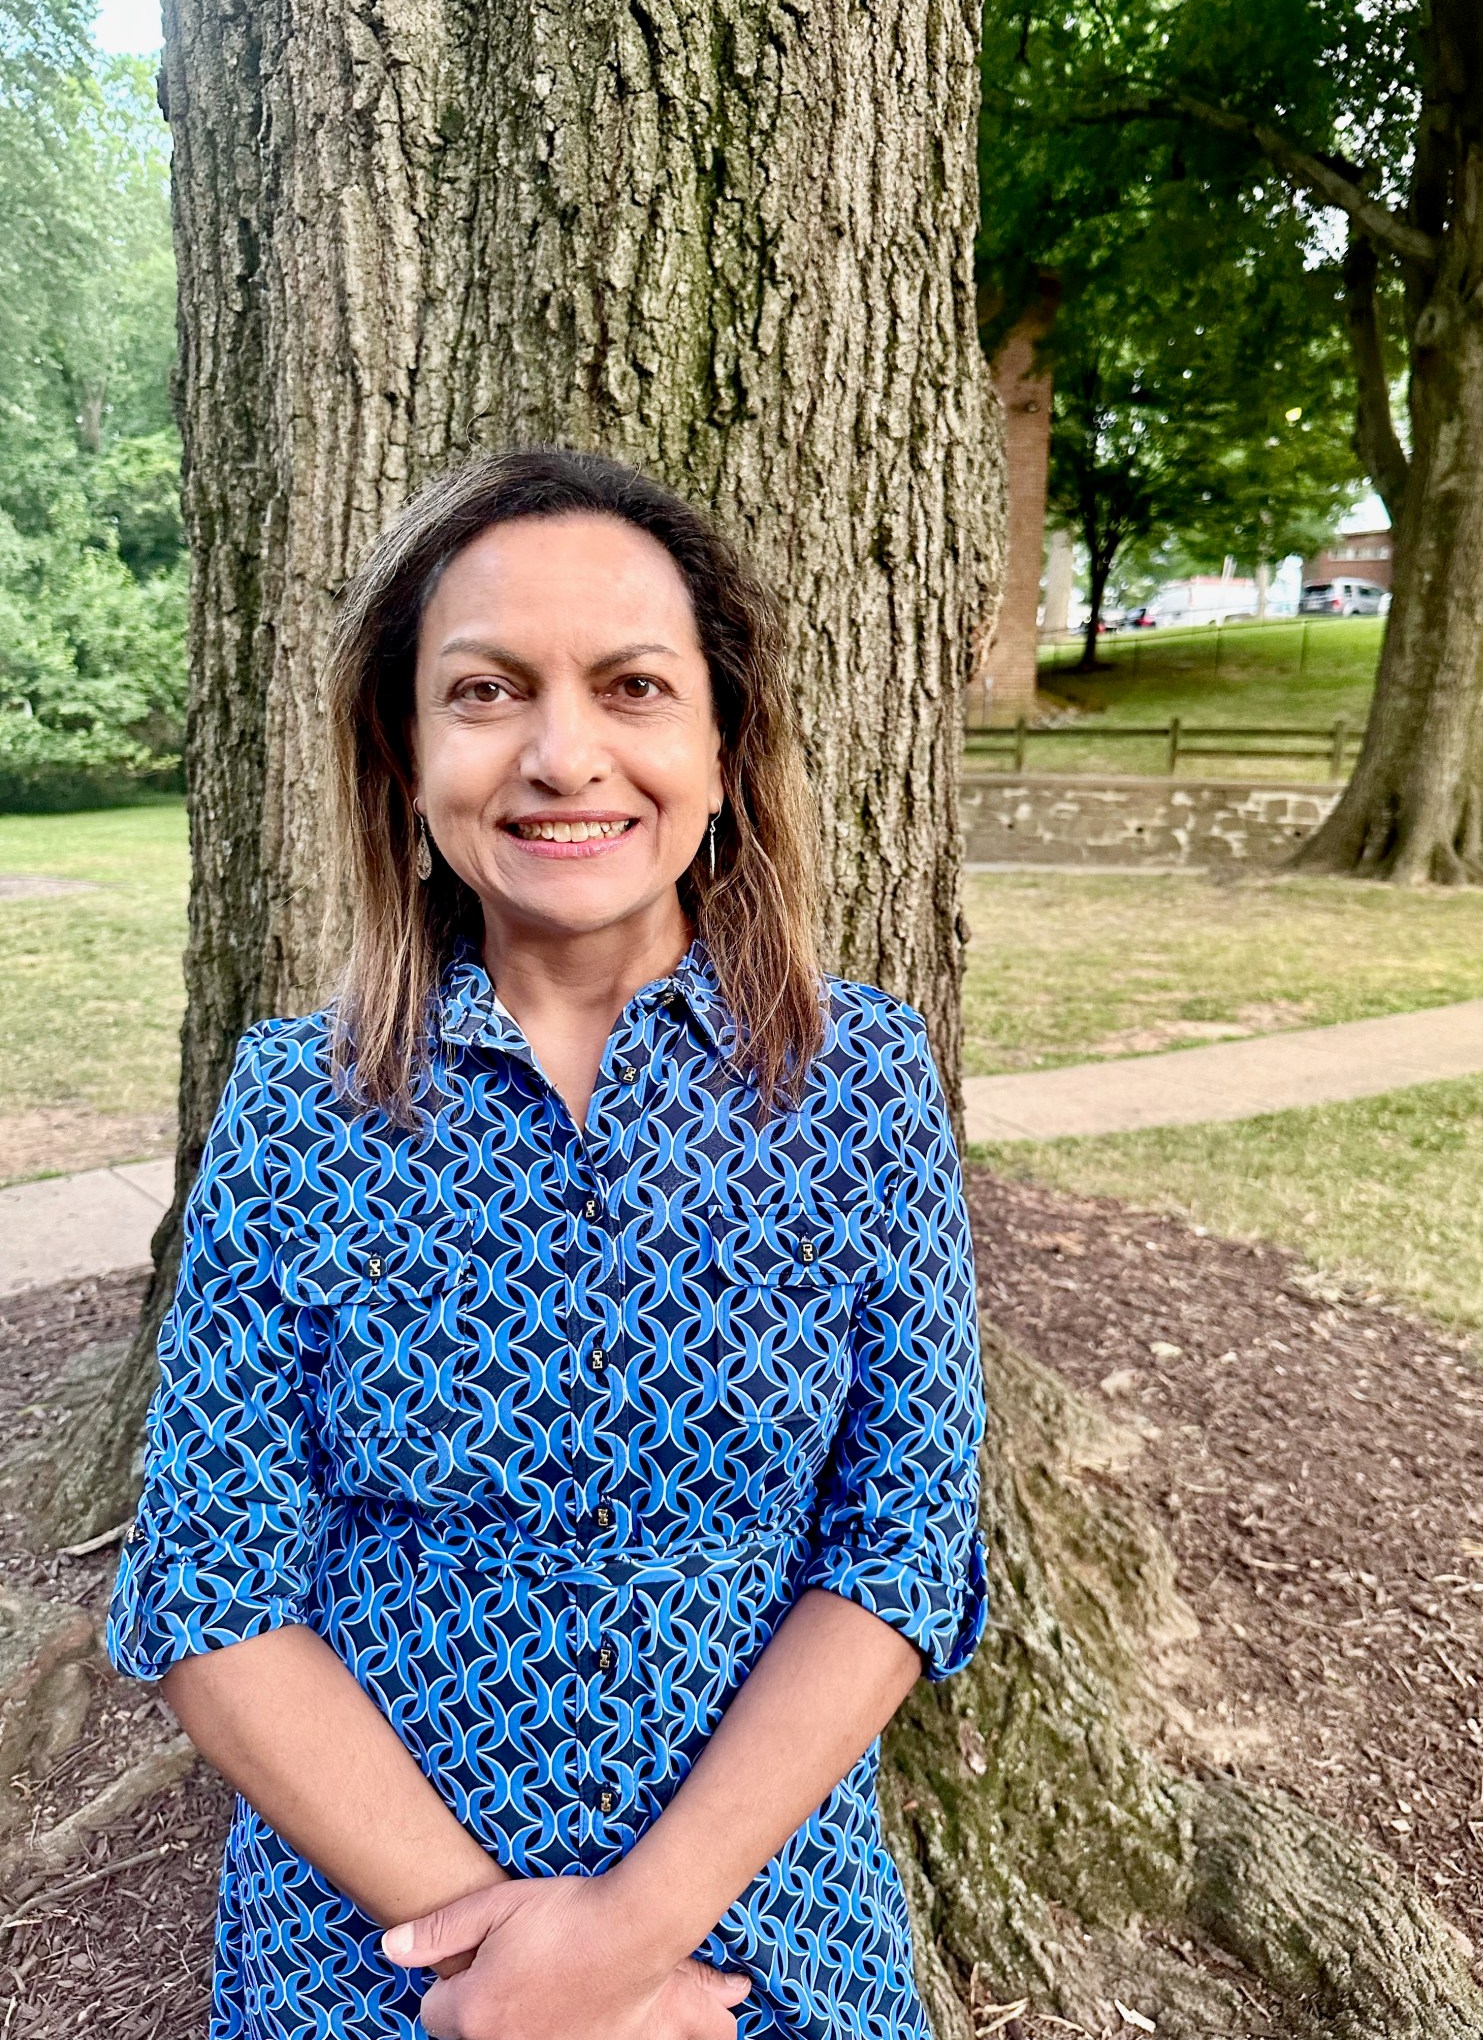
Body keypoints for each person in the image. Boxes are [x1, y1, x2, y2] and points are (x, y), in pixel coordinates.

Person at [105, 445, 989, 2040]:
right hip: (369, 1937)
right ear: (406, 752)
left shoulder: (861, 1086)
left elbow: (902, 1542)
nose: (562, 753)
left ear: (725, 748)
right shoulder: (296, 1108)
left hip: (758, 1931)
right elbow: (210, 1589)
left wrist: (613, 1954)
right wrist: (483, 1973)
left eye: (635, 687)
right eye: (488, 690)